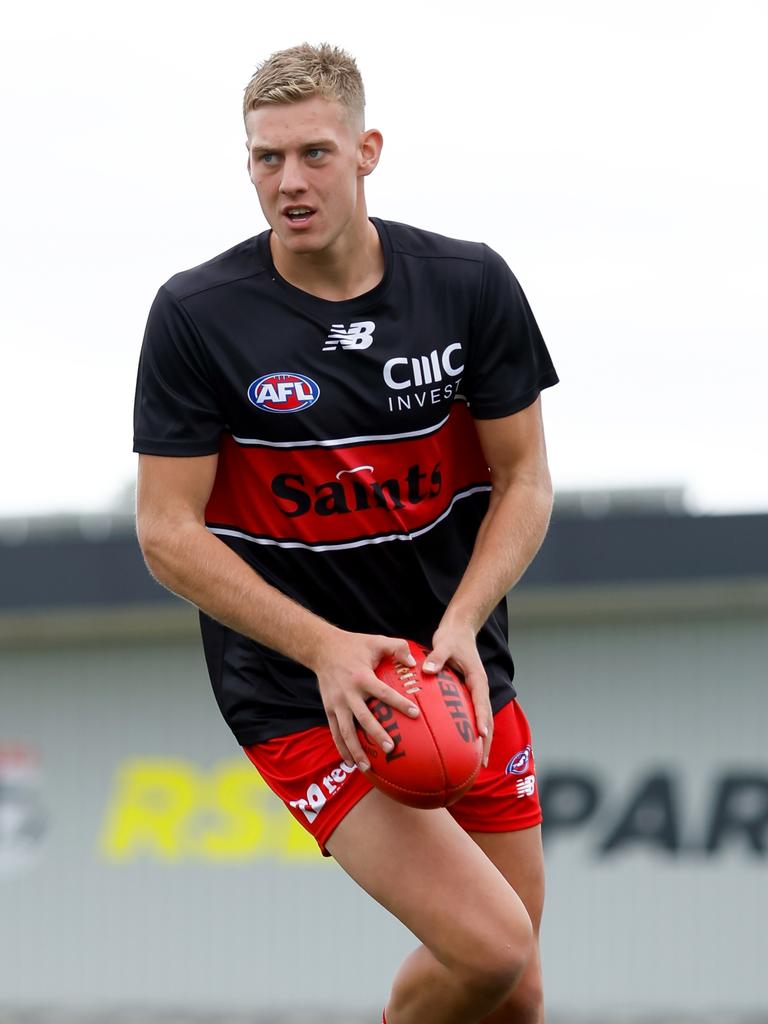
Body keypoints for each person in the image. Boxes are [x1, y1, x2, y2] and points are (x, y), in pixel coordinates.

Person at [133, 42, 558, 1024]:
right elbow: (166, 534)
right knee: (490, 949)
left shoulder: (468, 284)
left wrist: (461, 622)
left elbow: (525, 478)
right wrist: (325, 650)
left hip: (457, 673)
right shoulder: (197, 316)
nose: (289, 181)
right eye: (265, 159)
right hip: (301, 691)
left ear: (368, 150)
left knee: (514, 985)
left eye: (314, 154)